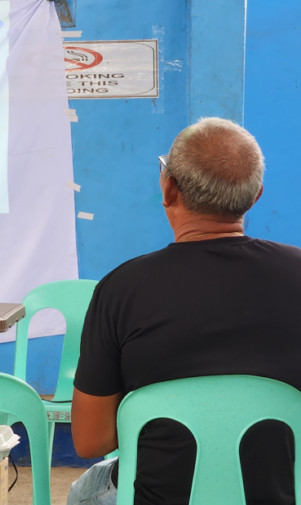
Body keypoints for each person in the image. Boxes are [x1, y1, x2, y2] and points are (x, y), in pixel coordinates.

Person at [68, 117, 301, 505]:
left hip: (155, 498)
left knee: (84, 490)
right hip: (283, 493)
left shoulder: (121, 289)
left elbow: (91, 440)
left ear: (168, 188)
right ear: (256, 194)